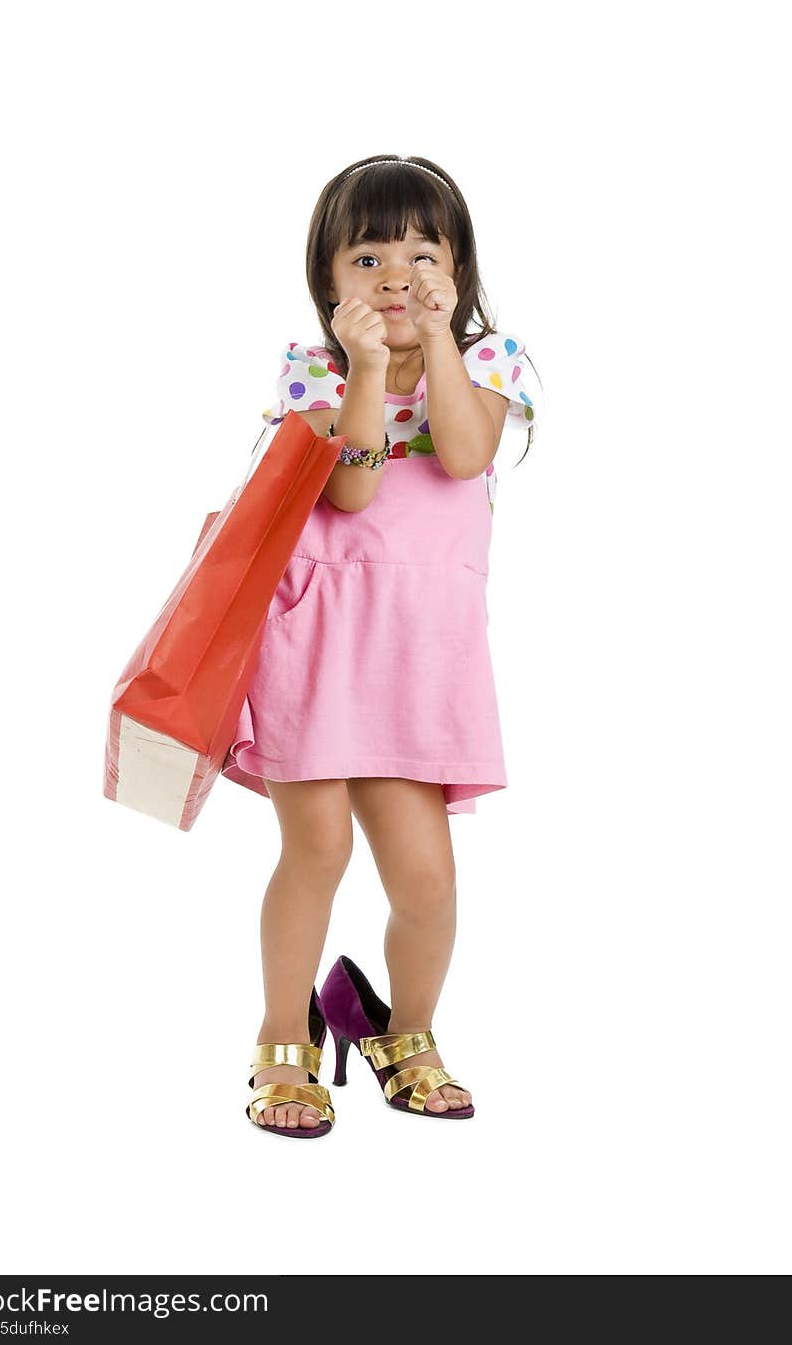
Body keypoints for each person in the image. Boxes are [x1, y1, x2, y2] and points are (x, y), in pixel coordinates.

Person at [220, 155, 539, 1137]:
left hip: (418, 651)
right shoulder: (312, 369)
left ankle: (406, 1030)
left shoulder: (491, 361)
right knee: (313, 849)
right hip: (314, 637)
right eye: (367, 255)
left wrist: (435, 339)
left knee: (426, 876)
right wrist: (365, 367)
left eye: (421, 251)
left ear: (459, 268)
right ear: (329, 280)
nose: (394, 273)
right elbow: (350, 488)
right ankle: (284, 1040)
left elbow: (464, 452)